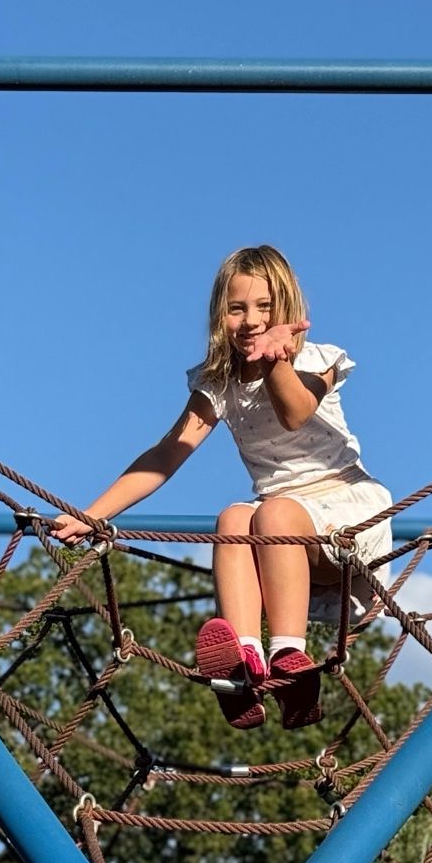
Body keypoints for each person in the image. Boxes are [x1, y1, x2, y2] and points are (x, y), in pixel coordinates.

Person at [50, 245, 392, 729]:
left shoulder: (319, 359)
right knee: (233, 518)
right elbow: (168, 452)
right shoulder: (221, 381)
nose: (250, 320)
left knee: (270, 514)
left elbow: (295, 412)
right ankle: (244, 665)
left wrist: (278, 361)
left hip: (344, 515)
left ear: (288, 309)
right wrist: (94, 514)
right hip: (282, 534)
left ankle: (292, 659)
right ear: (220, 316)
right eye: (237, 309)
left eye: (264, 307)